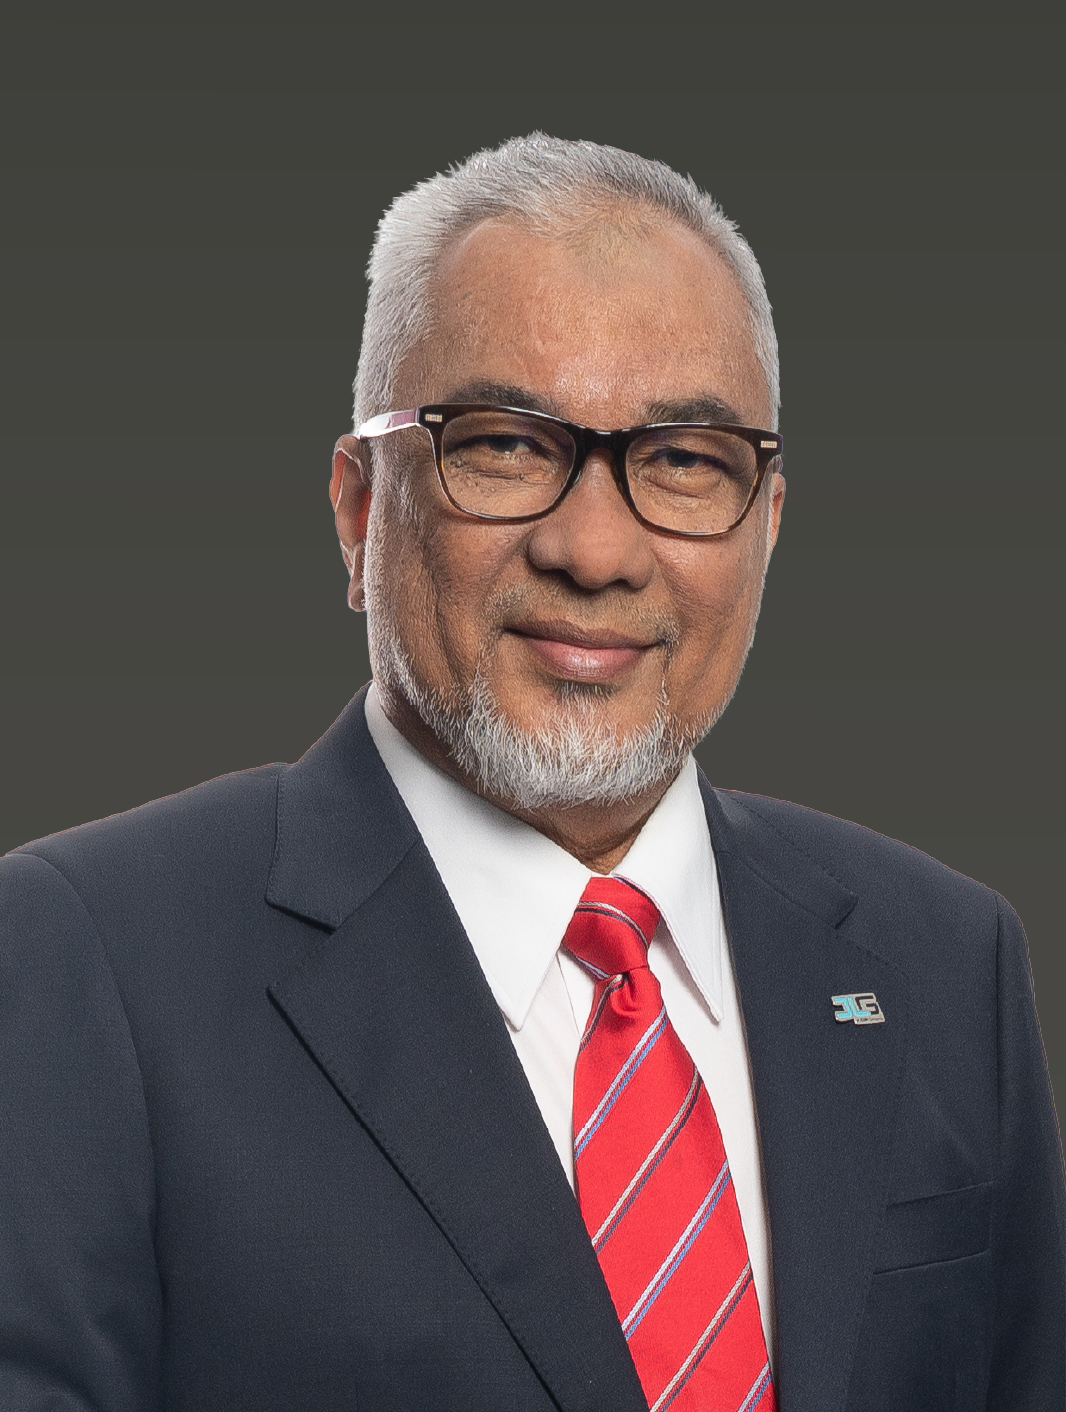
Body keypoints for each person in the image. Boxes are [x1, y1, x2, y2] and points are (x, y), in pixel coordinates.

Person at [0, 133, 1061, 1412]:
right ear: (359, 505)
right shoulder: (86, 959)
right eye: (504, 444)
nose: (595, 550)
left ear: (767, 525)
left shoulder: (942, 958)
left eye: (684, 460)